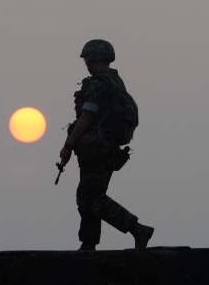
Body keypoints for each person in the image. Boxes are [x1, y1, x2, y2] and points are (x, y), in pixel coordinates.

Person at [59, 39, 154, 251]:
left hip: (97, 148)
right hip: (107, 147)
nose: (85, 63)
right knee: (87, 196)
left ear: (93, 57)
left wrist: (69, 145)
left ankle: (137, 228)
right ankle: (88, 243)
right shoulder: (115, 82)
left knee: (91, 197)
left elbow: (87, 115)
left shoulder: (98, 83)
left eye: (87, 59)